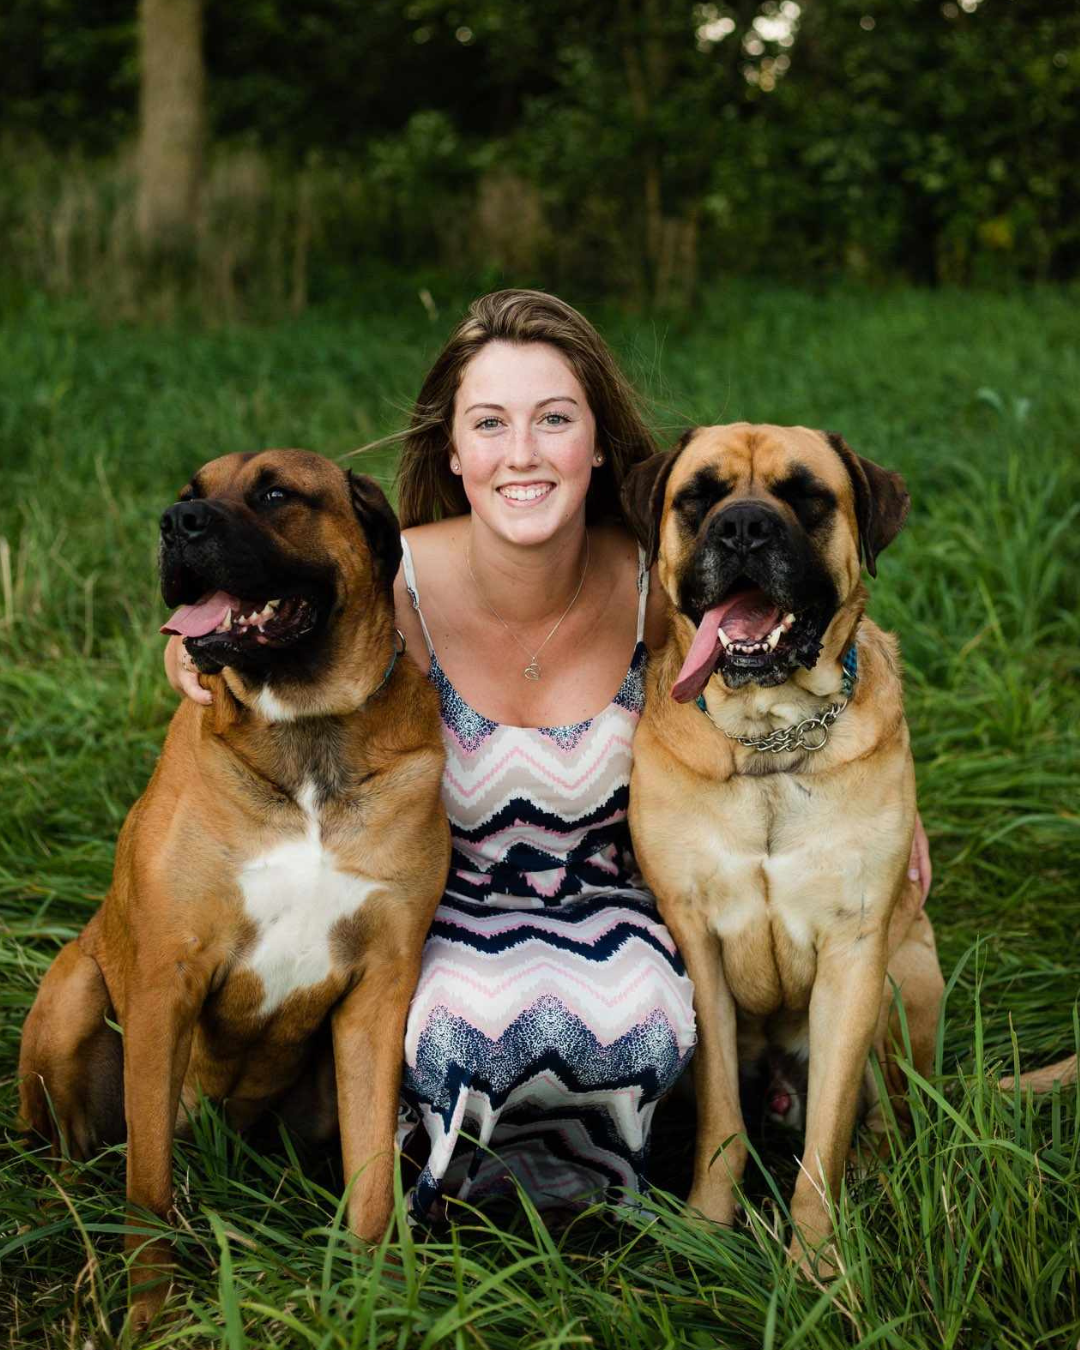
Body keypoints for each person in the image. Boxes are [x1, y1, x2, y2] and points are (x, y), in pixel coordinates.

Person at [167, 289, 931, 1221]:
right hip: (441, 910)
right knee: (468, 1029)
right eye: (490, 423)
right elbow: (266, 599)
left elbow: (817, 630)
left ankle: (598, 1188)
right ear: (454, 450)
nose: (522, 452)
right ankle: (458, 1185)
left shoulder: (663, 580)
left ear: (599, 442)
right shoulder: (381, 582)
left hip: (615, 909)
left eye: (554, 419)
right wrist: (196, 642)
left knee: (633, 1021)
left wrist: (899, 804)